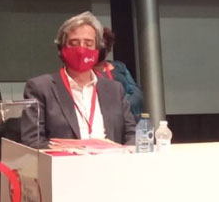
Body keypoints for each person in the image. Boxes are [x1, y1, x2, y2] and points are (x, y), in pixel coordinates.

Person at [21, 12, 136, 149]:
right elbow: (33, 142)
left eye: (88, 44)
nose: (81, 50)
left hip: (111, 160)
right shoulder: (40, 87)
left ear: (97, 49)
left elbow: (132, 135)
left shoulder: (115, 89)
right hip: (65, 161)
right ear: (62, 48)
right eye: (74, 43)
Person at [96, 27, 145, 118]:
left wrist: (123, 105)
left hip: (129, 116)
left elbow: (136, 93)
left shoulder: (119, 66)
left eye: (102, 47)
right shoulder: (85, 73)